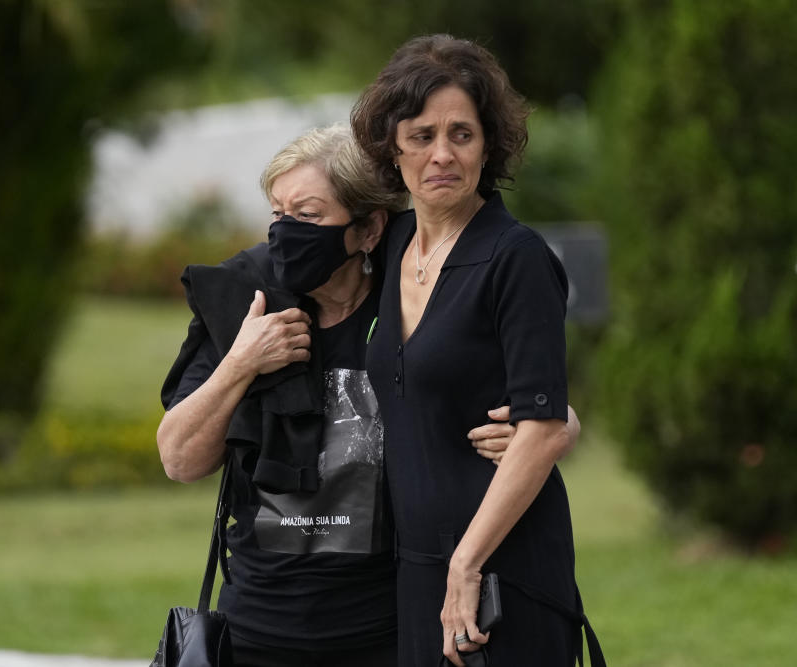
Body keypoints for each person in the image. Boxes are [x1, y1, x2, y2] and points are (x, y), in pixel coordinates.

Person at [156, 124, 582, 667]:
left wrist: (560, 425)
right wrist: (242, 362)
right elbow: (179, 459)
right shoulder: (247, 300)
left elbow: (526, 400)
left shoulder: (418, 298)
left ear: (368, 229)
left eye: (308, 216)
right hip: (259, 627)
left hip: (387, 627)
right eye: (278, 215)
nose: (286, 233)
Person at [352, 34, 600, 666]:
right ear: (392, 145)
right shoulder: (388, 246)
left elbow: (541, 427)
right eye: (421, 134)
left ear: (488, 145)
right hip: (416, 571)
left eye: (461, 134)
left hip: (502, 572)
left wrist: (466, 564)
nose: (442, 154)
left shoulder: (517, 260)